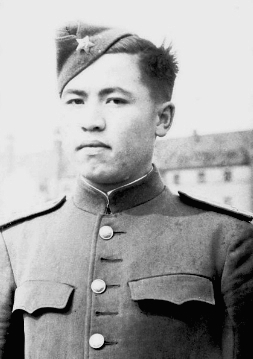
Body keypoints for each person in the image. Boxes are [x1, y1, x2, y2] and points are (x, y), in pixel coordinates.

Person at [0, 21, 253, 359]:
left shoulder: (227, 238)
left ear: (162, 119)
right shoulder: (16, 243)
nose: (91, 120)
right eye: (75, 101)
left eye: (115, 100)